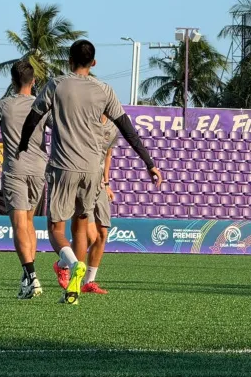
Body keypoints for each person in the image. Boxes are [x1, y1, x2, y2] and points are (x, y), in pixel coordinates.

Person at [18, 40, 162, 305]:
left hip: (64, 165)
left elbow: (33, 117)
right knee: (81, 226)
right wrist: (149, 162)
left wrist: (23, 145)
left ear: (69, 60)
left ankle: (72, 265)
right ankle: (73, 290)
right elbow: (126, 127)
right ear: (93, 63)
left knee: (55, 229)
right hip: (92, 169)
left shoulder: (56, 85)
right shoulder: (104, 89)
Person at [0, 59, 49, 299]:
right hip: (39, 169)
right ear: (34, 81)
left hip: (15, 168)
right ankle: (29, 278)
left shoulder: (2, 106)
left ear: (12, 80)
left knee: (19, 224)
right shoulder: (42, 106)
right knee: (29, 223)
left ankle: (31, 276)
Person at [71, 115, 117, 295]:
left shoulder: (112, 128)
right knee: (89, 236)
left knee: (103, 233)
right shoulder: (85, 123)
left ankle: (89, 281)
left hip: (100, 185)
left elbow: (108, 155)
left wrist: (106, 183)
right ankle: (64, 265)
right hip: (85, 183)